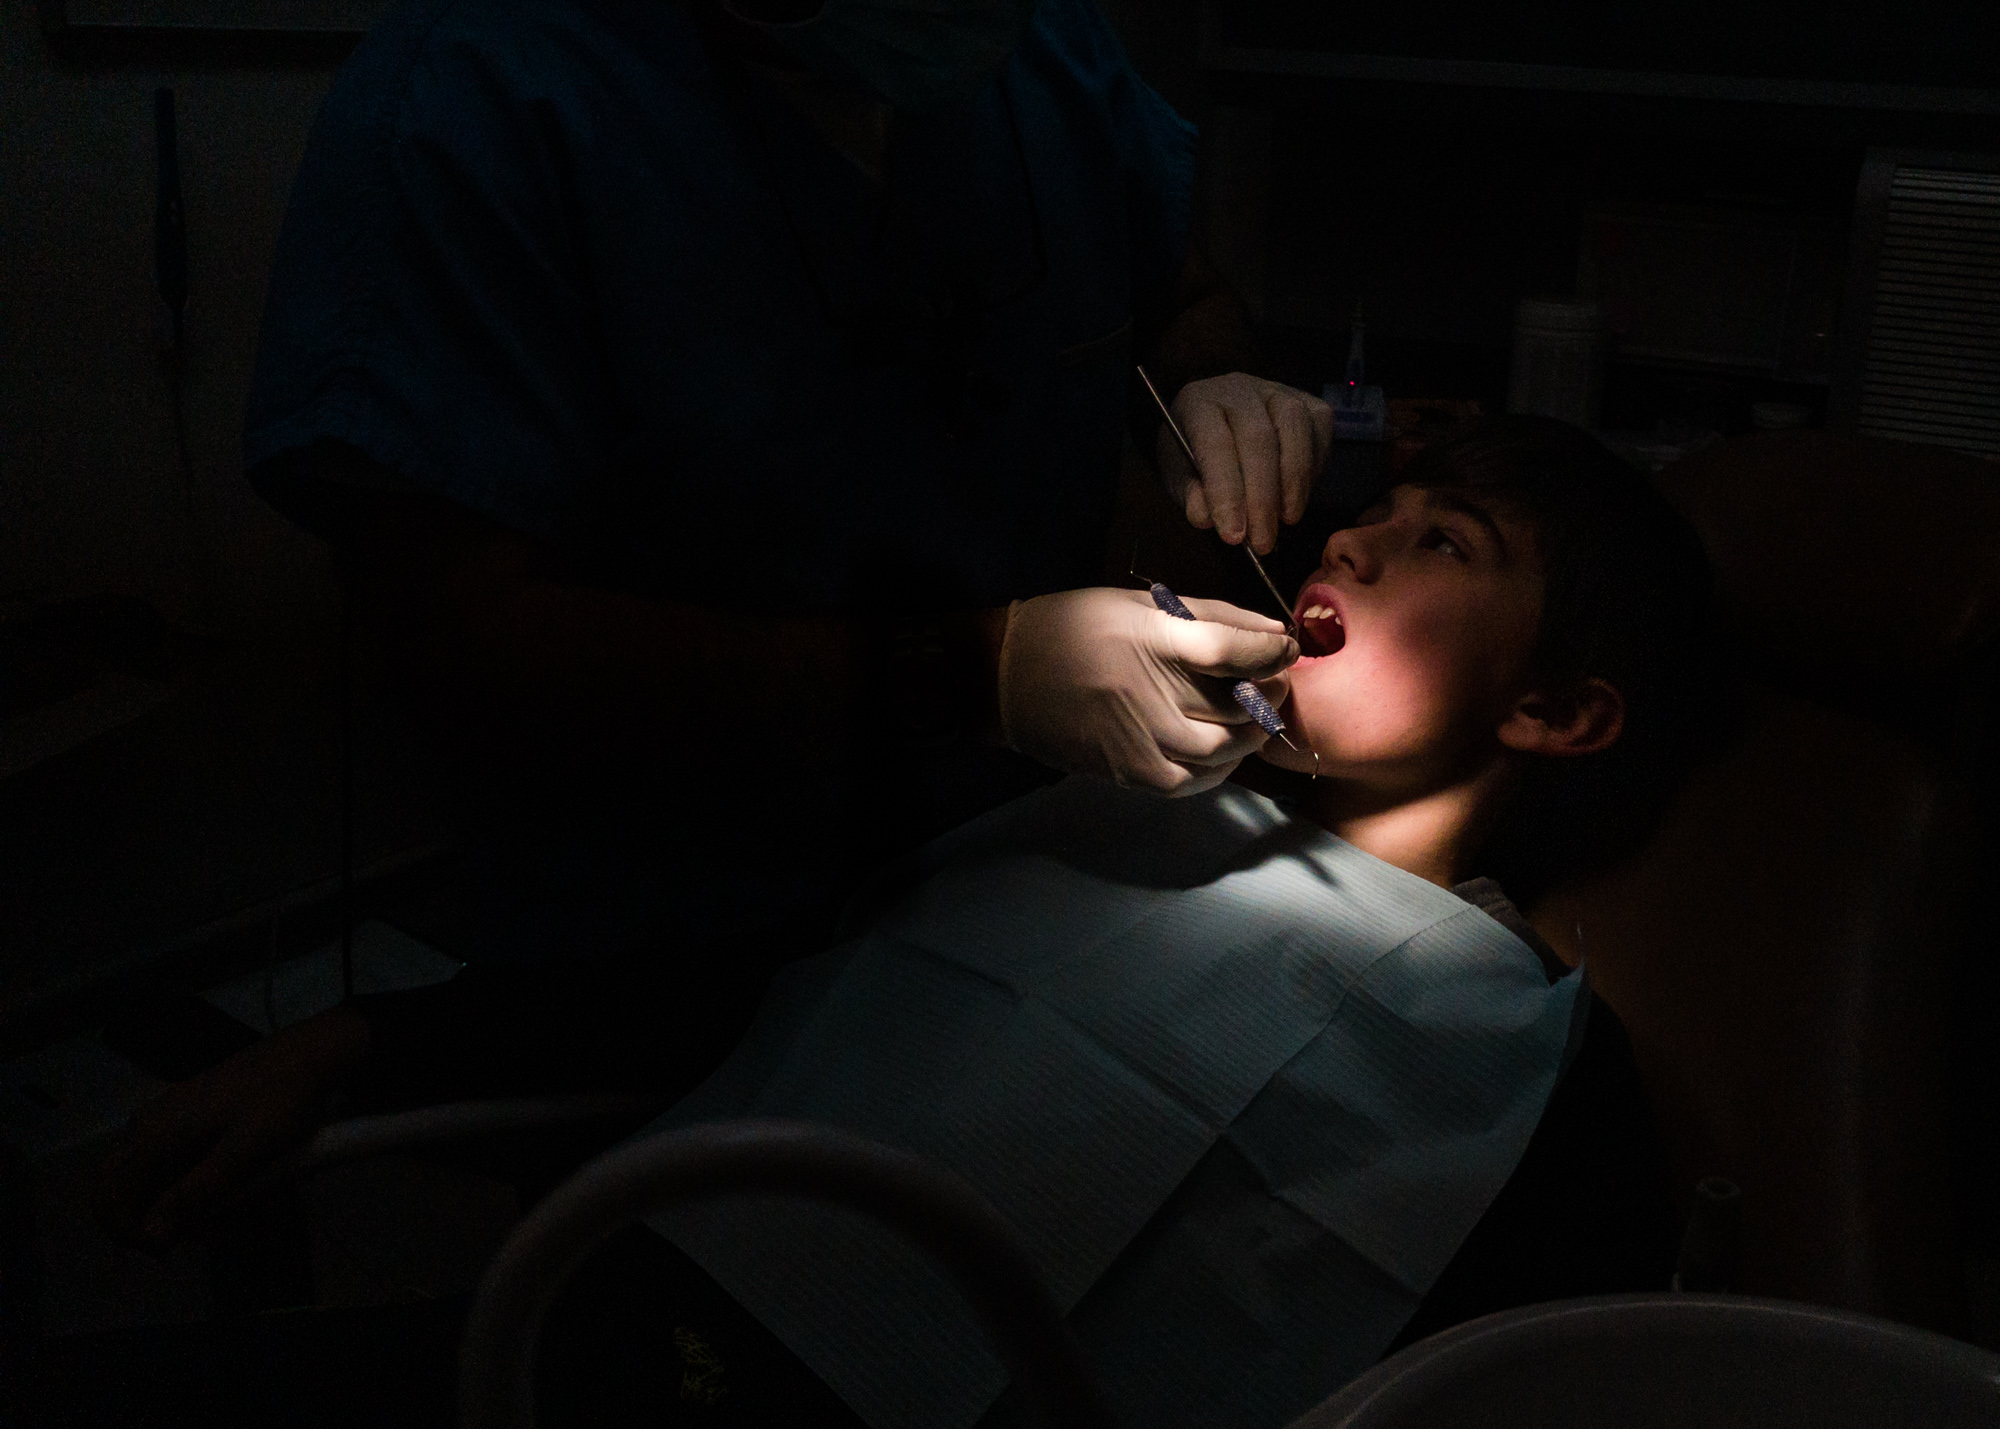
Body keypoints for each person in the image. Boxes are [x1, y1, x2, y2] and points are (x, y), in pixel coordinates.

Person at [97, 0, 1334, 1246]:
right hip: (650, 974)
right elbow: (471, 644)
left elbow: (1178, 281)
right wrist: (975, 668)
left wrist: (1202, 375)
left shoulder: (1031, 52)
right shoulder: (473, 102)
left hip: (1012, 913)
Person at [526, 416, 1714, 1429]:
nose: (1349, 538)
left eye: (1442, 540)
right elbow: (803, 995)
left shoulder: (1522, 1066)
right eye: (1377, 510)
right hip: (622, 1308)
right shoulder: (1113, 806)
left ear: (1554, 710)